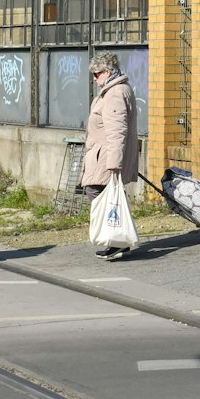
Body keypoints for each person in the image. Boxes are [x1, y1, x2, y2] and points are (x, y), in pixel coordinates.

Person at [81, 51, 140, 260]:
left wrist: (114, 162)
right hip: (103, 154)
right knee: (107, 194)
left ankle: (116, 240)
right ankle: (117, 239)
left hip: (106, 156)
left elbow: (117, 130)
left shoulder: (115, 93)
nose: (94, 79)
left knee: (97, 191)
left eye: (96, 74)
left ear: (107, 71)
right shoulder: (113, 90)